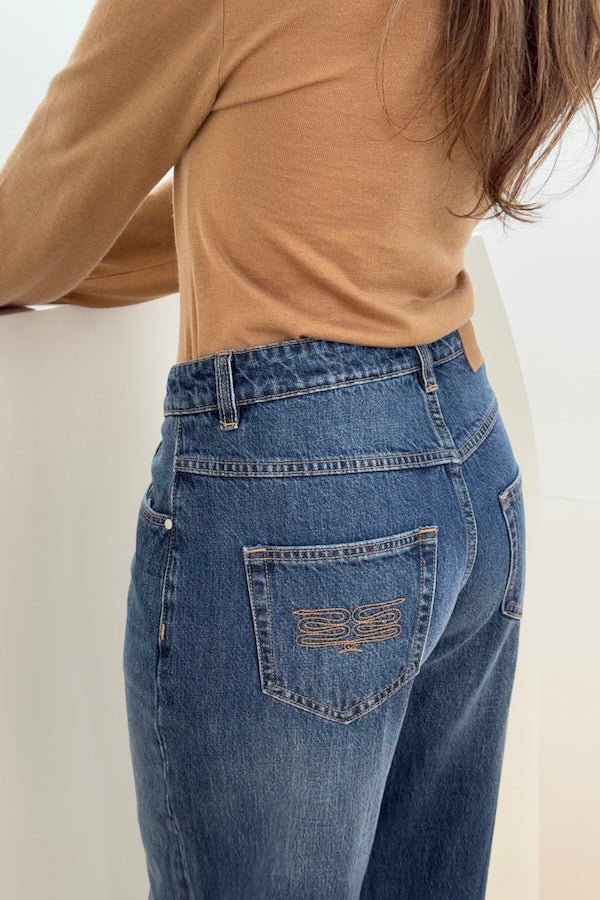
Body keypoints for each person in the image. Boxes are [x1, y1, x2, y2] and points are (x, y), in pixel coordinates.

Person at [2, 1, 599, 897]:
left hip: (300, 497)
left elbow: (25, 238)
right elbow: (310, 180)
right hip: (472, 462)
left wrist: (80, 244)